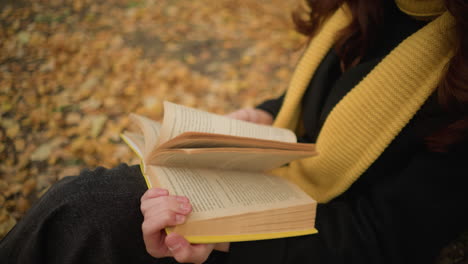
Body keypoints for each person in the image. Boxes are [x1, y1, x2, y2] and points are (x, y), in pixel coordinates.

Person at [1, 0, 467, 263]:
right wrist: (264, 116)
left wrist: (228, 233)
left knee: (92, 212)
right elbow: (328, 105)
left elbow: (386, 237)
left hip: (314, 242)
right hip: (273, 186)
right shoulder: (369, 8)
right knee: (87, 203)